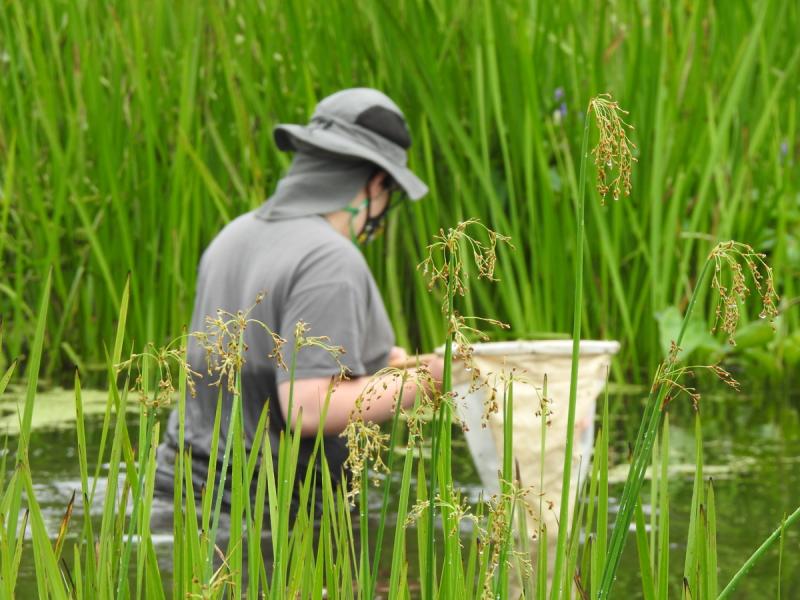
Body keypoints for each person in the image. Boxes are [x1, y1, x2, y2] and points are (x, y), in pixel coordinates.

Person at [154, 88, 444, 512]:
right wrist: (431, 379)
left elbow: (259, 365)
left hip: (177, 497)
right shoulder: (330, 258)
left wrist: (379, 367)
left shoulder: (234, 234)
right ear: (377, 182)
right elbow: (306, 406)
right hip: (268, 519)